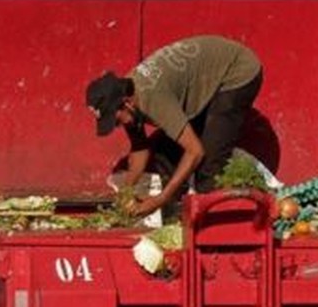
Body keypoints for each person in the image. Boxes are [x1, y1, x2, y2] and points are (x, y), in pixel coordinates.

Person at [84, 35, 262, 216]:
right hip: (205, 77)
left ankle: (211, 232)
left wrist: (160, 198)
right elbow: (140, 149)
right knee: (164, 155)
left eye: (115, 121)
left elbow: (195, 151)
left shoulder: (152, 99)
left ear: (126, 103)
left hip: (237, 71)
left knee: (209, 168)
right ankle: (175, 218)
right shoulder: (127, 98)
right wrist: (126, 192)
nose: (116, 126)